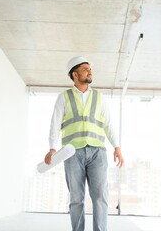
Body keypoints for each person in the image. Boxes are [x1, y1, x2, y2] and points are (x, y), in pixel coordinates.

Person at [44, 56, 124, 231]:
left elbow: (108, 123)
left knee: (101, 196)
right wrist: (52, 147)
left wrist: (117, 146)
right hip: (72, 153)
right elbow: (55, 123)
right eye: (85, 69)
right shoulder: (64, 97)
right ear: (75, 74)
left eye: (90, 69)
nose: (89, 71)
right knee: (76, 198)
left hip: (98, 153)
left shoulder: (99, 97)